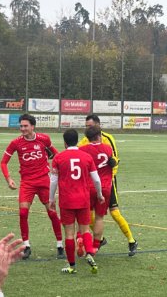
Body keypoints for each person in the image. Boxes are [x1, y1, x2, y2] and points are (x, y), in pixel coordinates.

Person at [0, 113, 64, 259]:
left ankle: (60, 245)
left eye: (25, 126)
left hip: (44, 181)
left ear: (32, 126)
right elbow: (3, 162)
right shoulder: (16, 143)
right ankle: (26, 246)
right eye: (21, 126)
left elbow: (57, 155)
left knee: (52, 213)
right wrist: (8, 179)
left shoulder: (44, 139)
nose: (22, 128)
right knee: (23, 213)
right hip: (27, 183)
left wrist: (57, 167)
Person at [77, 114, 138, 256]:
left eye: (90, 126)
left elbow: (116, 158)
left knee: (114, 212)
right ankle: (100, 239)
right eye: (86, 126)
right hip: (91, 184)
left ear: (98, 126)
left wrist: (112, 167)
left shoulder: (108, 139)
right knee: (89, 215)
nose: (87, 129)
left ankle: (131, 241)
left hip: (107, 181)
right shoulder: (84, 141)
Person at [49, 129, 104, 274]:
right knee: (85, 230)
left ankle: (72, 266)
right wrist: (99, 194)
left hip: (67, 200)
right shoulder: (86, 157)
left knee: (69, 234)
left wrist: (51, 199)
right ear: (77, 140)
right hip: (83, 199)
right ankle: (90, 254)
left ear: (65, 142)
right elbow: (96, 179)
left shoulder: (59, 158)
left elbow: (53, 181)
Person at [78, 125, 116, 255]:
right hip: (105, 188)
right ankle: (95, 247)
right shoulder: (108, 148)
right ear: (99, 136)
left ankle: (81, 239)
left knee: (84, 216)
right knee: (99, 218)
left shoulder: (82, 149)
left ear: (87, 138)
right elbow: (112, 162)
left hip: (88, 186)